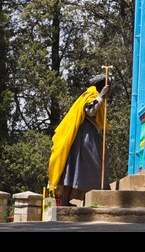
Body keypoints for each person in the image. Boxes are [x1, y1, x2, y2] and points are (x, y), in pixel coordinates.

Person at [48, 74, 111, 206]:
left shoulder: (93, 95)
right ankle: (98, 197)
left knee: (77, 169)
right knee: (85, 166)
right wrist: (101, 96)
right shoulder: (91, 95)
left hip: (88, 135)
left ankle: (72, 200)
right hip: (84, 137)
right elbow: (89, 110)